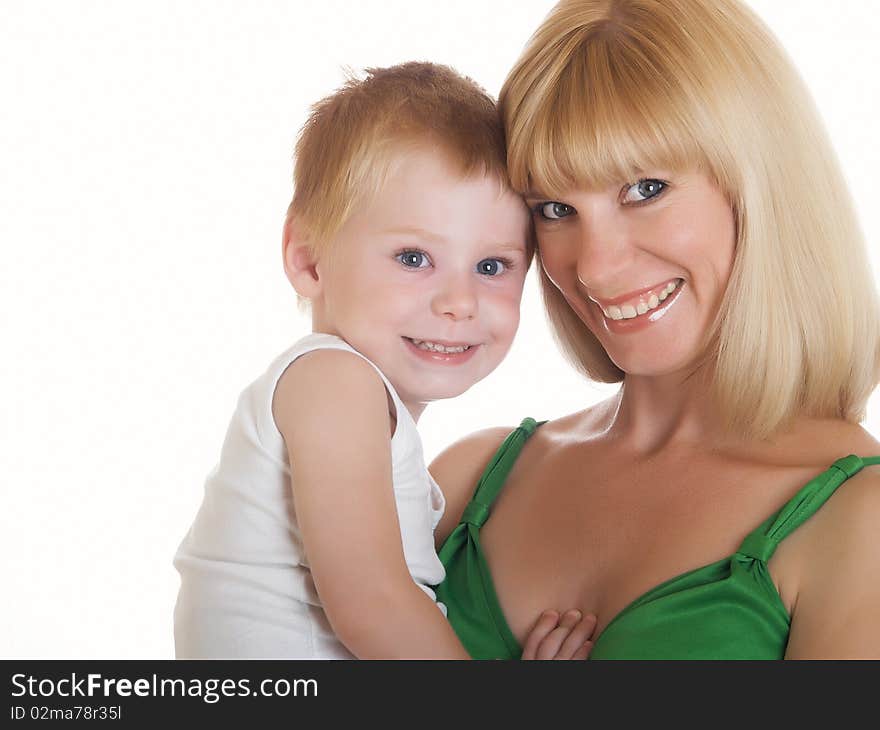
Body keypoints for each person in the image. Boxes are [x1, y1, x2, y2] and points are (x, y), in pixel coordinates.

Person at [432, 0, 880, 659]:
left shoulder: (856, 519)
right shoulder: (472, 476)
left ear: (758, 184)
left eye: (645, 188)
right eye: (555, 208)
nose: (595, 265)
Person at [173, 61, 596, 659]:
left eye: (492, 266)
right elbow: (372, 605)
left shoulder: (364, 410)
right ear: (310, 261)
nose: (458, 302)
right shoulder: (331, 380)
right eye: (413, 258)